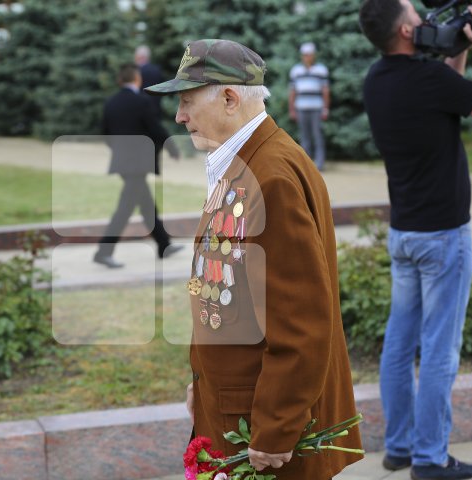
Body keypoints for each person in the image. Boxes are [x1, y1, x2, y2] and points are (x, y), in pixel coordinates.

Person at [145, 39, 362, 479]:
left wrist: (276, 428)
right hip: (236, 404)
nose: (179, 116)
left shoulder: (270, 177)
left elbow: (300, 323)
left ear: (229, 98)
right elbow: (228, 288)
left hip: (260, 426)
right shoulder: (248, 161)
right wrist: (202, 382)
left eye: (187, 101)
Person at [359, 1, 472, 479]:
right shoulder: (430, 81)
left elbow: (444, 86)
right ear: (408, 30)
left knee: (400, 344)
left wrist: (459, 46)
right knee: (440, 350)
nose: (428, 16)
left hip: (404, 234)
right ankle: (430, 458)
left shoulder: (376, 79)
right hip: (443, 237)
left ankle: (400, 447)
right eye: (418, 13)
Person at [93, 63, 183, 269]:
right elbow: (155, 128)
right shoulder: (141, 102)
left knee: (145, 205)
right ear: (137, 79)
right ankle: (103, 251)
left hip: (122, 163)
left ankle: (164, 245)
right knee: (125, 208)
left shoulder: (111, 103)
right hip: (138, 163)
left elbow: (105, 134)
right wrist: (172, 148)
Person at [288, 42, 330, 171]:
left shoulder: (321, 70)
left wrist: (325, 108)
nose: (307, 57)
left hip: (317, 108)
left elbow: (326, 90)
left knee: (317, 135)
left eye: (309, 55)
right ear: (302, 56)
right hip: (301, 108)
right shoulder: (296, 71)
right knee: (304, 136)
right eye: (305, 55)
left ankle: (319, 164)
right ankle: (306, 164)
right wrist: (292, 109)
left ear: (313, 55)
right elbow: (292, 91)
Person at [135, 45, 165, 119]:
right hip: (156, 107)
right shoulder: (157, 70)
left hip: (140, 109)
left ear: (140, 57)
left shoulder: (136, 72)